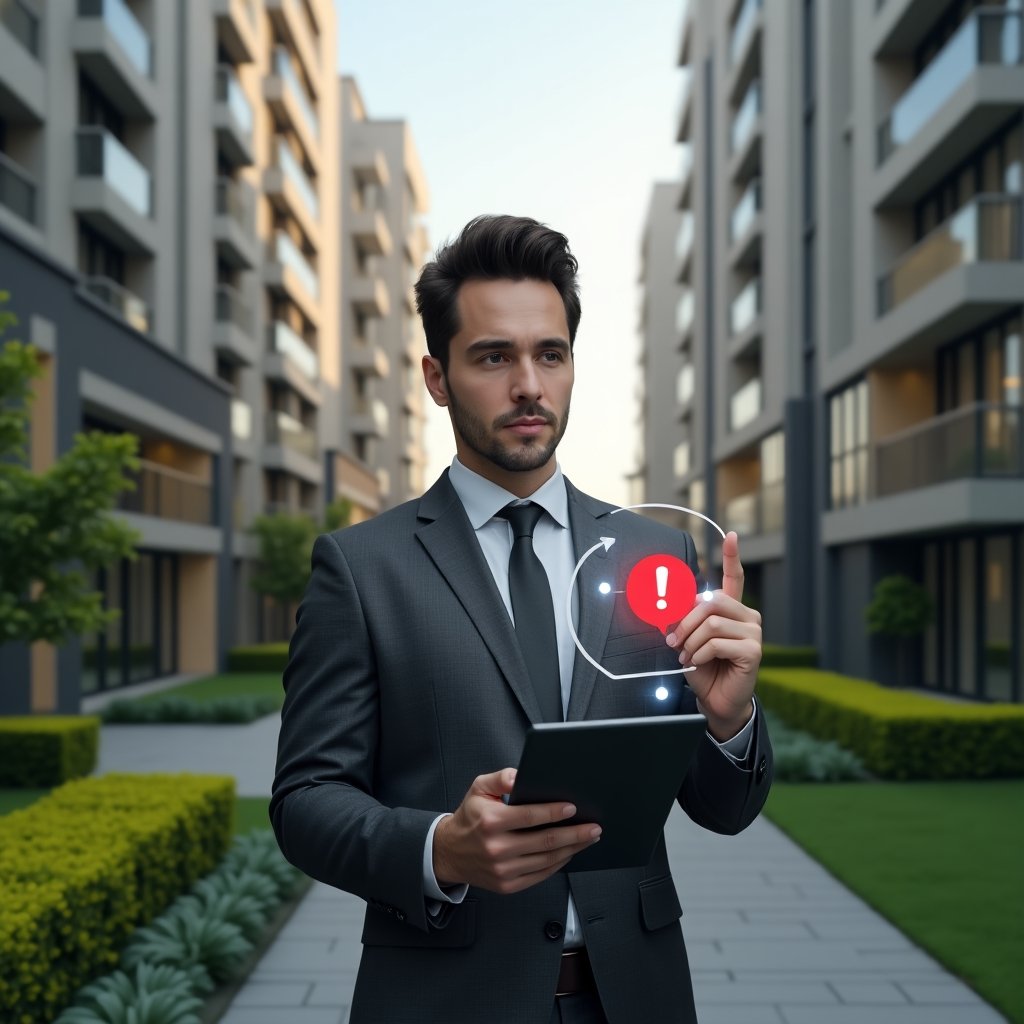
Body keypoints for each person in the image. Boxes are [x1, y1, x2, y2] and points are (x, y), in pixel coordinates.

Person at [271, 214, 772, 1024]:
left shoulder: (658, 556)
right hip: (444, 1000)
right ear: (436, 377)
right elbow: (305, 801)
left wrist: (731, 720)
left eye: (550, 354)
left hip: (635, 998)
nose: (529, 386)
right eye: (493, 357)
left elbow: (726, 810)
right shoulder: (361, 569)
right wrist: (441, 848)